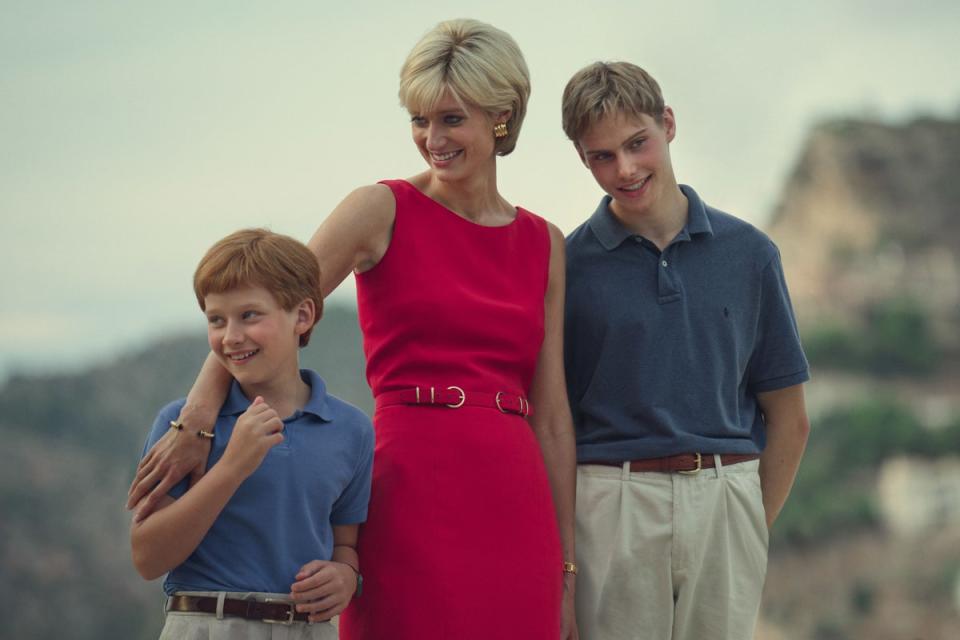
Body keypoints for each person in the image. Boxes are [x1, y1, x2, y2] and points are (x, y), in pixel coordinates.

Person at [127, 19, 578, 640]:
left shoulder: (545, 243)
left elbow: (552, 417)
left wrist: (567, 568)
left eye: (451, 119)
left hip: (515, 498)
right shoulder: (380, 209)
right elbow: (269, 309)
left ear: (501, 115)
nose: (431, 138)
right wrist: (198, 418)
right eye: (419, 119)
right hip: (410, 486)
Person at [560, 61, 811, 640]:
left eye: (636, 143)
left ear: (667, 124)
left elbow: (789, 419)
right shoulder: (566, 267)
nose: (624, 169)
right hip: (610, 504)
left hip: (727, 497)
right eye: (601, 156)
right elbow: (556, 420)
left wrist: (745, 521)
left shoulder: (751, 254)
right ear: (582, 158)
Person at [130, 228, 374, 639]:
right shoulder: (183, 428)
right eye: (216, 320)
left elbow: (345, 543)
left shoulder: (350, 430)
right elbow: (148, 558)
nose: (231, 337)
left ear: (302, 316)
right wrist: (231, 467)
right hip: (205, 625)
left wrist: (346, 575)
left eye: (249, 316)